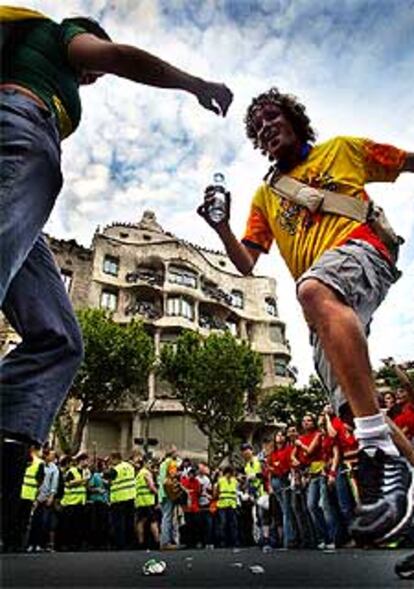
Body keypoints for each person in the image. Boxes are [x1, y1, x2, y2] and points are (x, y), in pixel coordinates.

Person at [0, 6, 233, 550]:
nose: (93, 78)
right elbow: (120, 57)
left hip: (22, 147)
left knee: (58, 339)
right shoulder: (60, 36)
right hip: (18, 132)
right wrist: (193, 84)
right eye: (91, 74)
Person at [198, 86, 414, 545]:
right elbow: (246, 263)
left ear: (295, 119)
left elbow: (408, 161)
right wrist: (219, 226)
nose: (266, 130)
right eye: (257, 130)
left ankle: (378, 455)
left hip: (361, 255)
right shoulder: (266, 195)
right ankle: (400, 474)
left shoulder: (344, 151)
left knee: (313, 287)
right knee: (353, 407)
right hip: (321, 306)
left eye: (272, 119)